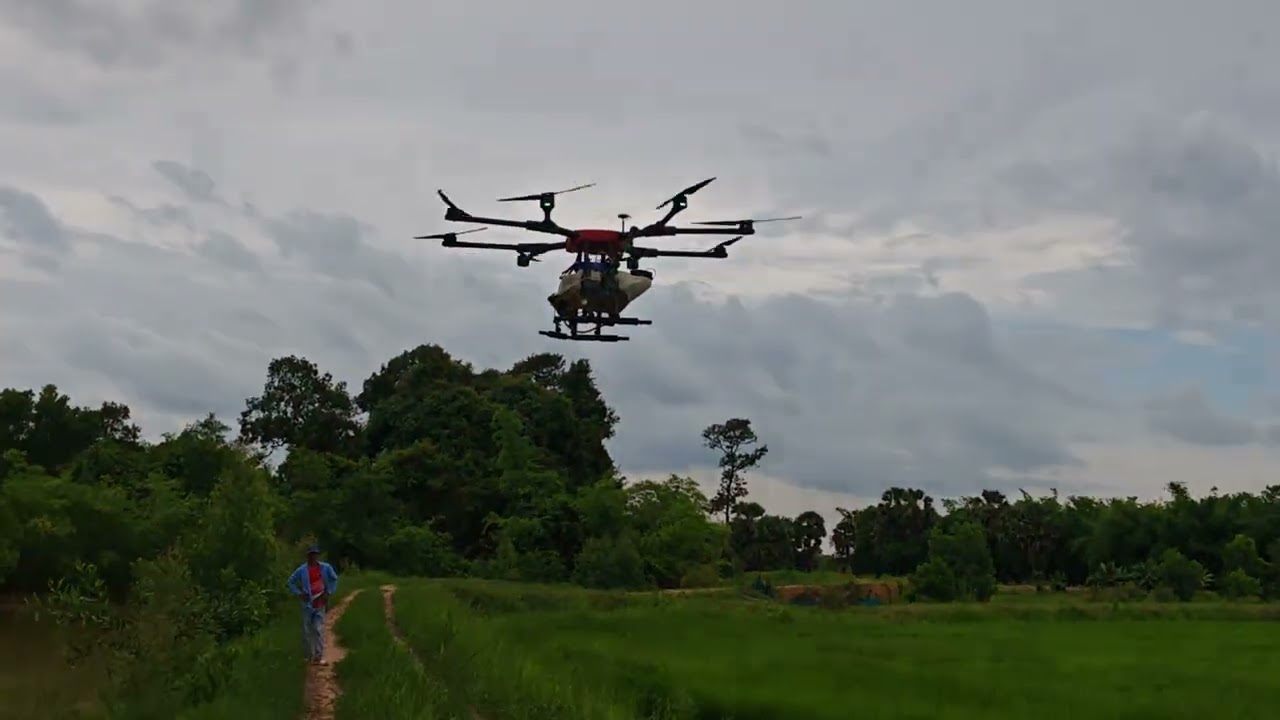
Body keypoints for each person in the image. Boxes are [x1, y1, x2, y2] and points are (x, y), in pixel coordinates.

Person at [286, 545, 339, 665]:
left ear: (317, 555)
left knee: (318, 628)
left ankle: (319, 656)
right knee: (306, 630)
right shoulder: (302, 570)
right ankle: (308, 656)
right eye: (311, 554)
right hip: (307, 603)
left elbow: (334, 579)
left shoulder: (325, 567)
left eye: (315, 554)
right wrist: (299, 593)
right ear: (307, 556)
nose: (313, 557)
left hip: (320, 601)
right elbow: (291, 582)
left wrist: (328, 592)